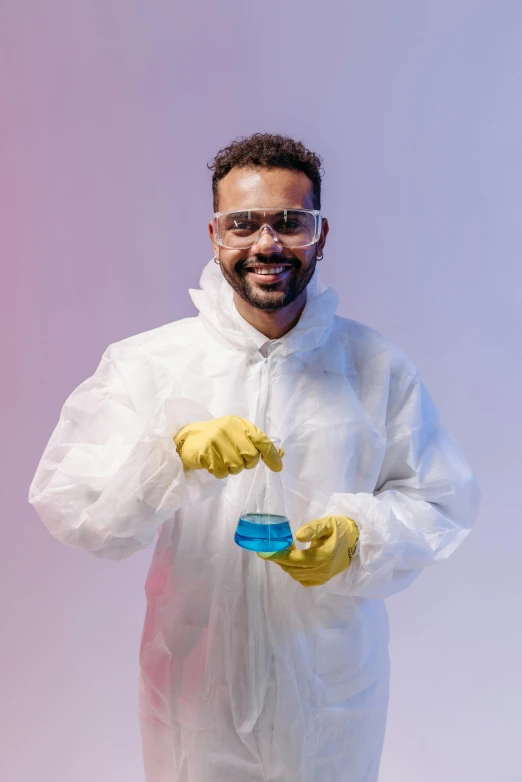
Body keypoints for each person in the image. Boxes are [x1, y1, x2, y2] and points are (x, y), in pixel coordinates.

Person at [28, 133, 480, 782]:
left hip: (329, 708)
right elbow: (71, 505)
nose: (267, 244)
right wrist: (170, 454)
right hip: (192, 704)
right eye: (243, 223)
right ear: (215, 236)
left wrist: (359, 536)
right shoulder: (148, 367)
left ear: (321, 236)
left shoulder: (375, 369)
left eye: (290, 223)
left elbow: (441, 499)